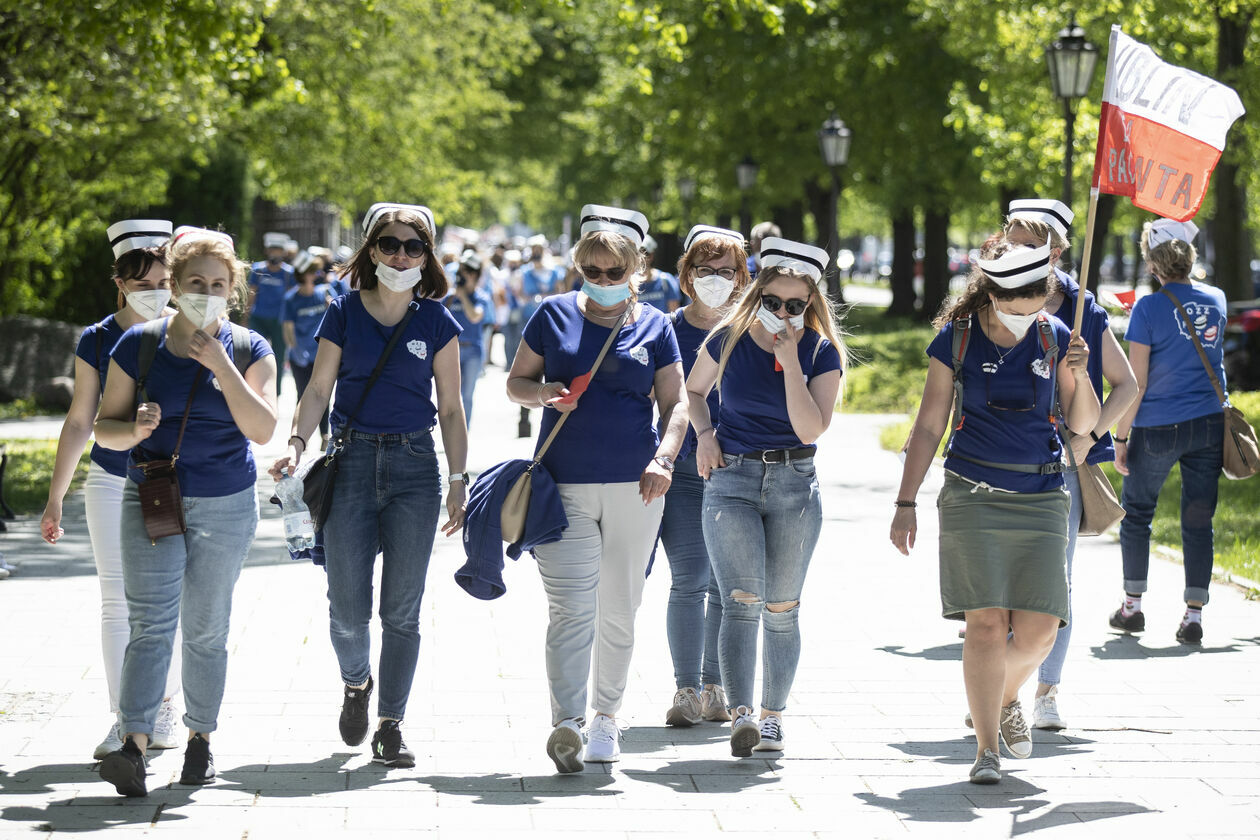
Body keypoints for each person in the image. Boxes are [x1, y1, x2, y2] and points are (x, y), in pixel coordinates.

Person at [889, 238, 1099, 785]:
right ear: (995, 294)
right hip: (972, 494)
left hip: (1043, 497)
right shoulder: (955, 340)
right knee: (985, 626)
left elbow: (1086, 421)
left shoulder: (1056, 339)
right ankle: (987, 750)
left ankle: (1002, 698)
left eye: (1037, 307)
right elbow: (929, 424)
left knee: (1040, 633)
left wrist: (1077, 370)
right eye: (1019, 307)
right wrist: (905, 501)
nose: (1028, 317)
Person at [271, 202, 468, 769]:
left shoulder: (437, 321)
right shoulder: (342, 311)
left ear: (426, 257)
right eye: (389, 244)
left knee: (402, 612)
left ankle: (391, 724)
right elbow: (316, 391)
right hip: (351, 464)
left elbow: (451, 410)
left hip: (414, 468)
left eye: (413, 246)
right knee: (346, 611)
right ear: (371, 251)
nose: (401, 254)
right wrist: (296, 445)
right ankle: (356, 683)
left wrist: (458, 480)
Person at [94, 226, 278, 796]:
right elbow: (105, 427)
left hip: (224, 502)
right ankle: (135, 745)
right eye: (195, 281)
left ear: (233, 290)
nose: (206, 291)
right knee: (150, 624)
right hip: (152, 494)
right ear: (172, 284)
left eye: (218, 284)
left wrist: (221, 366)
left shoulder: (250, 348)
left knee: (205, 628)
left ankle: (200, 740)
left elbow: (263, 428)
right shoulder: (139, 344)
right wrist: (136, 427)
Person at [506, 204, 687, 773]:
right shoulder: (550, 315)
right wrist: (543, 395)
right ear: (579, 266)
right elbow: (515, 382)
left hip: (637, 486)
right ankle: (567, 721)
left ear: (636, 269)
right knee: (569, 609)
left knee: (619, 608)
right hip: (562, 485)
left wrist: (665, 458)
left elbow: (678, 403)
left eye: (615, 273)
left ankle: (607, 717)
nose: (604, 282)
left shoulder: (656, 326)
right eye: (593, 271)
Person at [686, 237, 845, 758]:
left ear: (810, 306)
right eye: (772, 301)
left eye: (795, 305)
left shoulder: (821, 353)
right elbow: (693, 391)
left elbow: (809, 429)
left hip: (794, 483)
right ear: (756, 295)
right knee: (740, 602)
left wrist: (792, 360)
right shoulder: (727, 338)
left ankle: (773, 717)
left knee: (782, 608)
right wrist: (705, 433)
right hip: (731, 479)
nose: (781, 312)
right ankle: (742, 716)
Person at [40, 219, 184, 761]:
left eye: (161, 282)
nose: (153, 294)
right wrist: (55, 498)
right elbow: (81, 420)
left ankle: (164, 707)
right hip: (110, 477)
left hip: (175, 478)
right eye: (140, 284)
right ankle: (126, 718)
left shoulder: (191, 329)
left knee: (170, 598)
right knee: (116, 601)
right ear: (119, 282)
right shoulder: (97, 338)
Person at [1004, 200, 1138, 731]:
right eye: (1010, 240)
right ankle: (1000, 687)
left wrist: (1091, 438)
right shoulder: (988, 299)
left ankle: (1047, 691)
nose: (1016, 251)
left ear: (1057, 251)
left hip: (1058, 467)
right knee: (1002, 585)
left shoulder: (1082, 309)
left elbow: (1128, 384)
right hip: (998, 460)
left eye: (1030, 243)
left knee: (1054, 581)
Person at [1112, 219, 1227, 646]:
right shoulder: (1217, 298)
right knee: (1199, 520)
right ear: (1190, 256)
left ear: (1152, 262)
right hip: (1209, 422)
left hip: (1157, 425)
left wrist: (1121, 439)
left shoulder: (1147, 308)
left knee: (1137, 514)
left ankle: (1132, 609)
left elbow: (1136, 382)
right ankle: (1193, 615)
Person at [659, 225, 750, 727]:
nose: (715, 279)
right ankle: (686, 690)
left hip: (738, 470)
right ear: (687, 276)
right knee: (689, 581)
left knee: (726, 585)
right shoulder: (665, 327)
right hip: (683, 471)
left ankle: (716, 687)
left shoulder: (751, 327)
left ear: (742, 278)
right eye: (704, 270)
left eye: (726, 271)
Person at [282, 250, 333, 446]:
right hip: (300, 356)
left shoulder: (325, 294)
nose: (317, 275)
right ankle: (301, 437)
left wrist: (331, 306)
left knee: (323, 394)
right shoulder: (291, 299)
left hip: (322, 354)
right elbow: (288, 329)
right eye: (313, 272)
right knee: (303, 394)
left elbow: (337, 318)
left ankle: (324, 435)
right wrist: (294, 350)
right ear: (303, 275)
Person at [445, 250, 493, 425]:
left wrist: (463, 296)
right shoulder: (450, 297)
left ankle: (463, 432)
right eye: (460, 272)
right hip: (452, 351)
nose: (462, 276)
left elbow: (475, 316)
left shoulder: (481, 297)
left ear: (475, 275)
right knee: (450, 394)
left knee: (466, 396)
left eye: (466, 272)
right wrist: (453, 295)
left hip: (473, 351)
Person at [247, 232, 294, 395]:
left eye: (278, 250)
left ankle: (275, 391)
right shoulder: (258, 269)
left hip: (279, 321)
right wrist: (245, 318)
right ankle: (251, 388)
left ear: (284, 252)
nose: (275, 253)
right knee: (252, 353)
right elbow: (251, 294)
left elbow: (290, 299)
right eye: (272, 249)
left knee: (279, 357)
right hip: (258, 319)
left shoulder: (289, 273)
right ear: (267, 250)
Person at [637, 235, 681, 313]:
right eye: (637, 254)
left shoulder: (666, 280)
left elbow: (674, 314)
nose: (641, 258)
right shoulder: (628, 283)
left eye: (645, 253)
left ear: (652, 255)